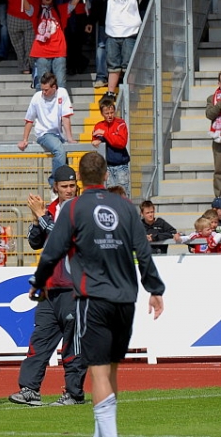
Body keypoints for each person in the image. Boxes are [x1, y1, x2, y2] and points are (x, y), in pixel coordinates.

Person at [30, 152, 165, 437]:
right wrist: (155, 288)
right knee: (111, 369)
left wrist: (38, 281)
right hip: (125, 298)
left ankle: (109, 434)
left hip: (92, 297)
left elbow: (53, 250)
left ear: (79, 177)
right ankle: (101, 431)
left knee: (99, 370)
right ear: (106, 175)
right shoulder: (125, 206)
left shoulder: (73, 208)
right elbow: (143, 251)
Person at [9, 164, 85, 407]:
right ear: (56, 187)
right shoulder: (50, 210)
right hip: (51, 288)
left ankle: (74, 393)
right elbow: (35, 242)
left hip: (74, 288)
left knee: (72, 344)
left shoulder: (82, 209)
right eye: (65, 186)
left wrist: (42, 217)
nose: (69, 190)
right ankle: (29, 389)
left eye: (72, 185)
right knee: (39, 340)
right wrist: (37, 219)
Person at [87, 0, 150, 98]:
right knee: (113, 65)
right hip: (112, 35)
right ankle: (111, 92)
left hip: (130, 34)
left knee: (129, 65)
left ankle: (131, 91)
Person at [18, 72, 75, 186]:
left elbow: (66, 117)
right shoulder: (36, 97)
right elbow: (29, 120)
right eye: (42, 89)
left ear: (54, 87)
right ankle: (55, 183)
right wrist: (25, 139)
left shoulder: (62, 93)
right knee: (59, 151)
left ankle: (64, 183)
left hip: (58, 134)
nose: (43, 92)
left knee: (64, 157)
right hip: (44, 133)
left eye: (46, 90)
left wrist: (69, 138)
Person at [91, 96, 131, 195]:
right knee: (109, 194)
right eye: (107, 113)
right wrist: (99, 139)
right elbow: (95, 142)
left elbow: (121, 143)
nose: (110, 115)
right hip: (107, 167)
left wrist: (104, 134)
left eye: (112, 112)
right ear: (102, 113)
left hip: (121, 166)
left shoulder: (120, 124)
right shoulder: (98, 126)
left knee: (123, 194)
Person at [205, 71, 221, 197]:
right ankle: (219, 199)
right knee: (219, 171)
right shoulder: (212, 98)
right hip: (218, 139)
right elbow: (209, 114)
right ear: (219, 83)